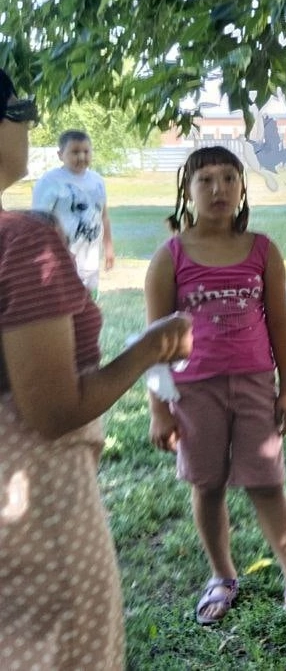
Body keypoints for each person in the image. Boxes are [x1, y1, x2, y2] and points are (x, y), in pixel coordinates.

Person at [0, 67, 192, 670]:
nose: (27, 125)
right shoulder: (21, 243)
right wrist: (149, 346)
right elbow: (54, 411)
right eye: (20, 110)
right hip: (35, 506)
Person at [144, 146, 286, 624]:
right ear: (187, 191)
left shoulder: (262, 250)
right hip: (194, 391)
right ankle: (221, 576)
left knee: (267, 482)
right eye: (205, 180)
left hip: (257, 384)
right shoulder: (170, 257)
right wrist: (158, 409)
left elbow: (279, 323)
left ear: (243, 189)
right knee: (209, 483)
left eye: (228, 178)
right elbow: (153, 341)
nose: (217, 189)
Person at [33, 128, 114, 295]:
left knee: (89, 302)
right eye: (75, 152)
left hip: (90, 255)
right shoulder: (50, 181)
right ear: (60, 154)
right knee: (66, 302)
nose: (82, 157)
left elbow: (103, 216)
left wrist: (108, 247)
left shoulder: (97, 181)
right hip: (61, 258)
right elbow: (38, 222)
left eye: (86, 151)